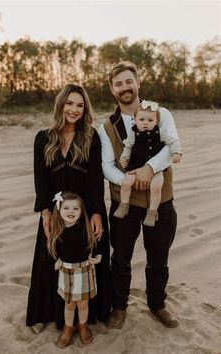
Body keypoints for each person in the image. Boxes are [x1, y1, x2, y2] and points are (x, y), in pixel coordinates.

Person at [99, 61, 180, 329]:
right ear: (112, 89)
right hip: (125, 203)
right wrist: (130, 180)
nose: (125, 87)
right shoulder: (107, 127)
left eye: (128, 81)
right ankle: (119, 307)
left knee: (159, 256)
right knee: (120, 258)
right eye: (119, 83)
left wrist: (149, 168)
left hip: (161, 200)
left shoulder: (161, 113)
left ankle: (157, 304)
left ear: (138, 83)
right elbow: (107, 165)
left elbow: (171, 146)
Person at [26, 84, 111, 334]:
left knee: (86, 260)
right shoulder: (44, 137)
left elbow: (96, 178)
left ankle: (90, 316)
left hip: (85, 210)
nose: (74, 109)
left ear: (85, 110)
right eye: (70, 103)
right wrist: (45, 211)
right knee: (48, 258)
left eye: (80, 105)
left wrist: (96, 212)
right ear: (61, 104)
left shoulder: (90, 136)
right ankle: (45, 313)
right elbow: (40, 178)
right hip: (55, 211)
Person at [113, 100, 182, 226]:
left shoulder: (159, 132)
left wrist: (176, 152)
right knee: (126, 182)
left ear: (156, 121)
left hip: (156, 169)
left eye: (150, 120)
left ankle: (152, 212)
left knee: (156, 186)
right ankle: (124, 204)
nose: (145, 123)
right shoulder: (133, 133)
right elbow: (127, 147)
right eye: (142, 120)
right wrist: (124, 158)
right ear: (135, 120)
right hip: (135, 165)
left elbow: (173, 141)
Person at [48, 191, 102, 348]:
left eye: (75, 209)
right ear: (59, 210)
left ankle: (83, 326)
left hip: (84, 271)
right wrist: (55, 262)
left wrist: (98, 257)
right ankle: (68, 327)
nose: (71, 212)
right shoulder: (57, 231)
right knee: (69, 304)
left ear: (82, 211)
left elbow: (96, 245)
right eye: (66, 208)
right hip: (66, 272)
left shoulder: (86, 228)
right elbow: (52, 251)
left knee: (83, 304)